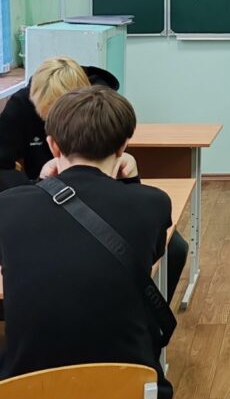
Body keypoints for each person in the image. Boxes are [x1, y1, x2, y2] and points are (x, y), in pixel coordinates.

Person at [0, 85, 175, 399]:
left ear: (52, 145)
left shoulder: (8, 207)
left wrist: (40, 185)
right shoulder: (152, 203)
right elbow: (147, 250)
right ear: (124, 146)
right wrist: (131, 180)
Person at [0, 56, 188, 301]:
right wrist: (34, 189)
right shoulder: (22, 105)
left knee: (174, 248)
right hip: (44, 199)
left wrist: (127, 180)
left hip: (98, 198)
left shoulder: (102, 106)